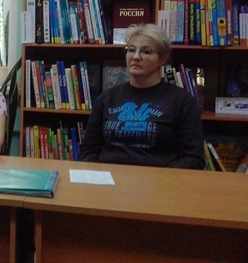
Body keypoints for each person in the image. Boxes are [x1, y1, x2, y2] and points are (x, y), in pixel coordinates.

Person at [79, 23, 205, 169]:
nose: (136, 57)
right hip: (109, 179)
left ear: (163, 59)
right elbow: (88, 151)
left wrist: (159, 179)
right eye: (131, 50)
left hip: (159, 180)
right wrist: (100, 175)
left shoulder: (182, 101)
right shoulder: (107, 98)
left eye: (146, 51)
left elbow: (193, 159)